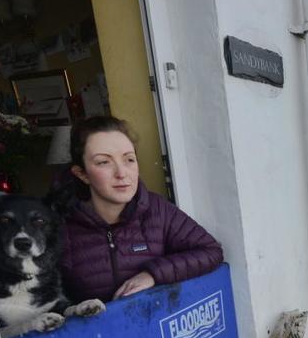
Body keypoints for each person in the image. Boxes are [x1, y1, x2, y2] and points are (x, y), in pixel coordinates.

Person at [58, 116, 223, 302]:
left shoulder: (157, 210)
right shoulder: (59, 225)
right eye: (104, 162)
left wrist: (152, 274)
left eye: (129, 159)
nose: (121, 173)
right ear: (82, 174)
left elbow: (211, 251)